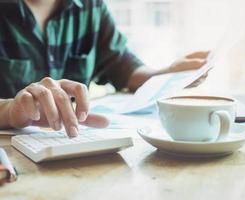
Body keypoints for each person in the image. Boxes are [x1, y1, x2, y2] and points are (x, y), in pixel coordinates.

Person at [0, 0, 209, 137]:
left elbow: (122, 67)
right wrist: (10, 111)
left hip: (71, 145)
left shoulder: (91, 6)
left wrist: (167, 74)